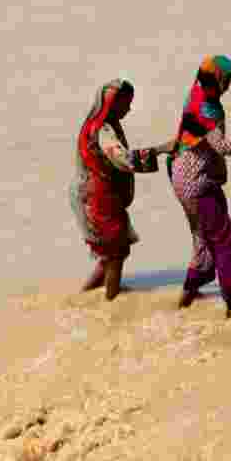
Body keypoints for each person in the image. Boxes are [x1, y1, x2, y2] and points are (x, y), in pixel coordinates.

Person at [167, 55, 231, 318]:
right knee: (225, 243)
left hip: (179, 175)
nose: (229, 85)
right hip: (198, 181)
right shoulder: (209, 108)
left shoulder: (195, 91)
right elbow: (220, 145)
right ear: (218, 79)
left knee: (201, 236)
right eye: (228, 79)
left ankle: (187, 295)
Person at [70, 79, 169, 301]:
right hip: (99, 197)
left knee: (107, 254)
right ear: (112, 104)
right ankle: (111, 300)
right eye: (126, 104)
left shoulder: (98, 123)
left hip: (95, 194)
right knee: (117, 252)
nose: (129, 109)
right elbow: (122, 158)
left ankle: (86, 296)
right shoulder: (103, 130)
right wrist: (161, 149)